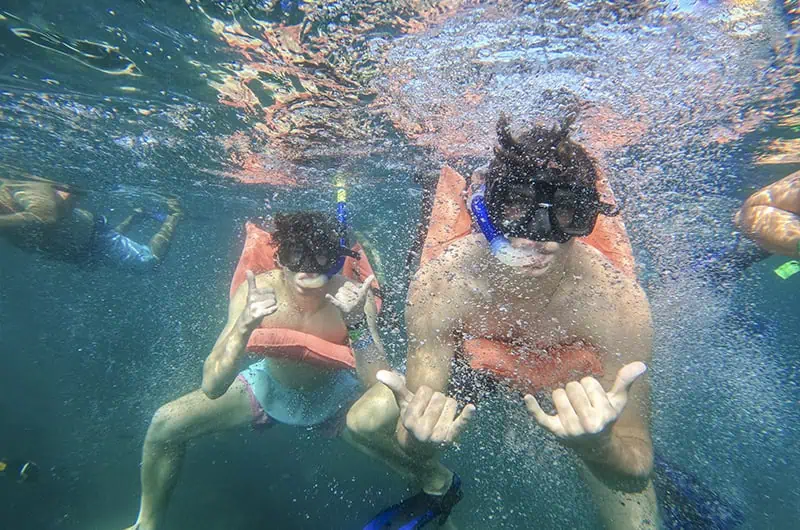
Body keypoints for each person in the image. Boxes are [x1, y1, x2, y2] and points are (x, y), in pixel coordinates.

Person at [348, 116, 741, 530]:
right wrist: (419, 445)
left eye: (568, 213)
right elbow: (417, 413)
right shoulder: (444, 284)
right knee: (362, 424)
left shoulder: (614, 303)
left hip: (566, 372)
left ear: (588, 217)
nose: (539, 237)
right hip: (476, 365)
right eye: (516, 206)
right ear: (486, 208)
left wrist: (600, 446)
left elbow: (636, 462)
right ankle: (438, 485)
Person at [122, 211, 389, 530]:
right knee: (165, 424)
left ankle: (439, 489)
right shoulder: (258, 291)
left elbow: (378, 384)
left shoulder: (354, 298)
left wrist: (357, 322)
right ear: (279, 256)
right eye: (296, 254)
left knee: (411, 443)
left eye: (321, 255)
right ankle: (147, 523)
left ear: (335, 259)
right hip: (268, 388)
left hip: (336, 396)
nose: (308, 267)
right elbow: (212, 386)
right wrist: (244, 326)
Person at [0, 176, 181, 271]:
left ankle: (175, 214)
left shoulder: (20, 186)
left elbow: (45, 217)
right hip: (83, 251)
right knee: (108, 247)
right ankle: (136, 216)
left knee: (148, 263)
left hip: (94, 235)